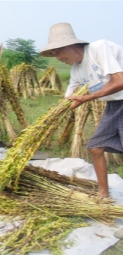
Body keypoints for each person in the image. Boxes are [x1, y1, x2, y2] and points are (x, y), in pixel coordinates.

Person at [39, 22, 123, 239]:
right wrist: (51, 118)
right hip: (114, 105)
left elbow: (120, 81)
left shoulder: (99, 48)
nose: (57, 57)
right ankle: (104, 196)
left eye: (58, 51)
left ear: (72, 45)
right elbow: (69, 98)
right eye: (54, 53)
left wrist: (88, 97)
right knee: (95, 147)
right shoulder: (76, 69)